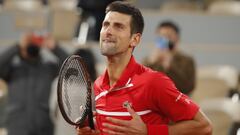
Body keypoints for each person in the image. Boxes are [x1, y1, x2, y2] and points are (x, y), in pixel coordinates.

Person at [76, 1, 212, 135]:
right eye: (105, 25)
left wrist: (149, 131)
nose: (108, 31)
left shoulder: (154, 82)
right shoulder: (99, 84)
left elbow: (204, 126)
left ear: (134, 39)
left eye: (118, 26)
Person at [0, 32, 68, 135]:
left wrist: (54, 47)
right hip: (17, 128)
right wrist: (17, 46)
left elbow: (71, 66)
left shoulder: (48, 68)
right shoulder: (13, 70)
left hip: (43, 127)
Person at [143, 21, 196, 95]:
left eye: (169, 36)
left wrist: (169, 66)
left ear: (177, 38)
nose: (164, 40)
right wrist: (151, 63)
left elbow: (188, 87)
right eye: (161, 36)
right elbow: (141, 84)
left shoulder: (187, 61)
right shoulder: (149, 60)